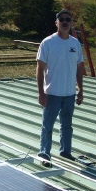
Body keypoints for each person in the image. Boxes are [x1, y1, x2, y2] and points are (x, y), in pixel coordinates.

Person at [36, 9, 84, 166]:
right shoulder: (48, 43)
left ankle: (66, 151)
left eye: (67, 19)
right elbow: (40, 68)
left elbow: (79, 68)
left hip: (69, 94)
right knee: (47, 126)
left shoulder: (75, 43)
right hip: (52, 94)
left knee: (67, 126)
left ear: (71, 23)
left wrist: (80, 90)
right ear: (56, 23)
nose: (64, 22)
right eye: (61, 19)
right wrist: (41, 93)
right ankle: (44, 154)